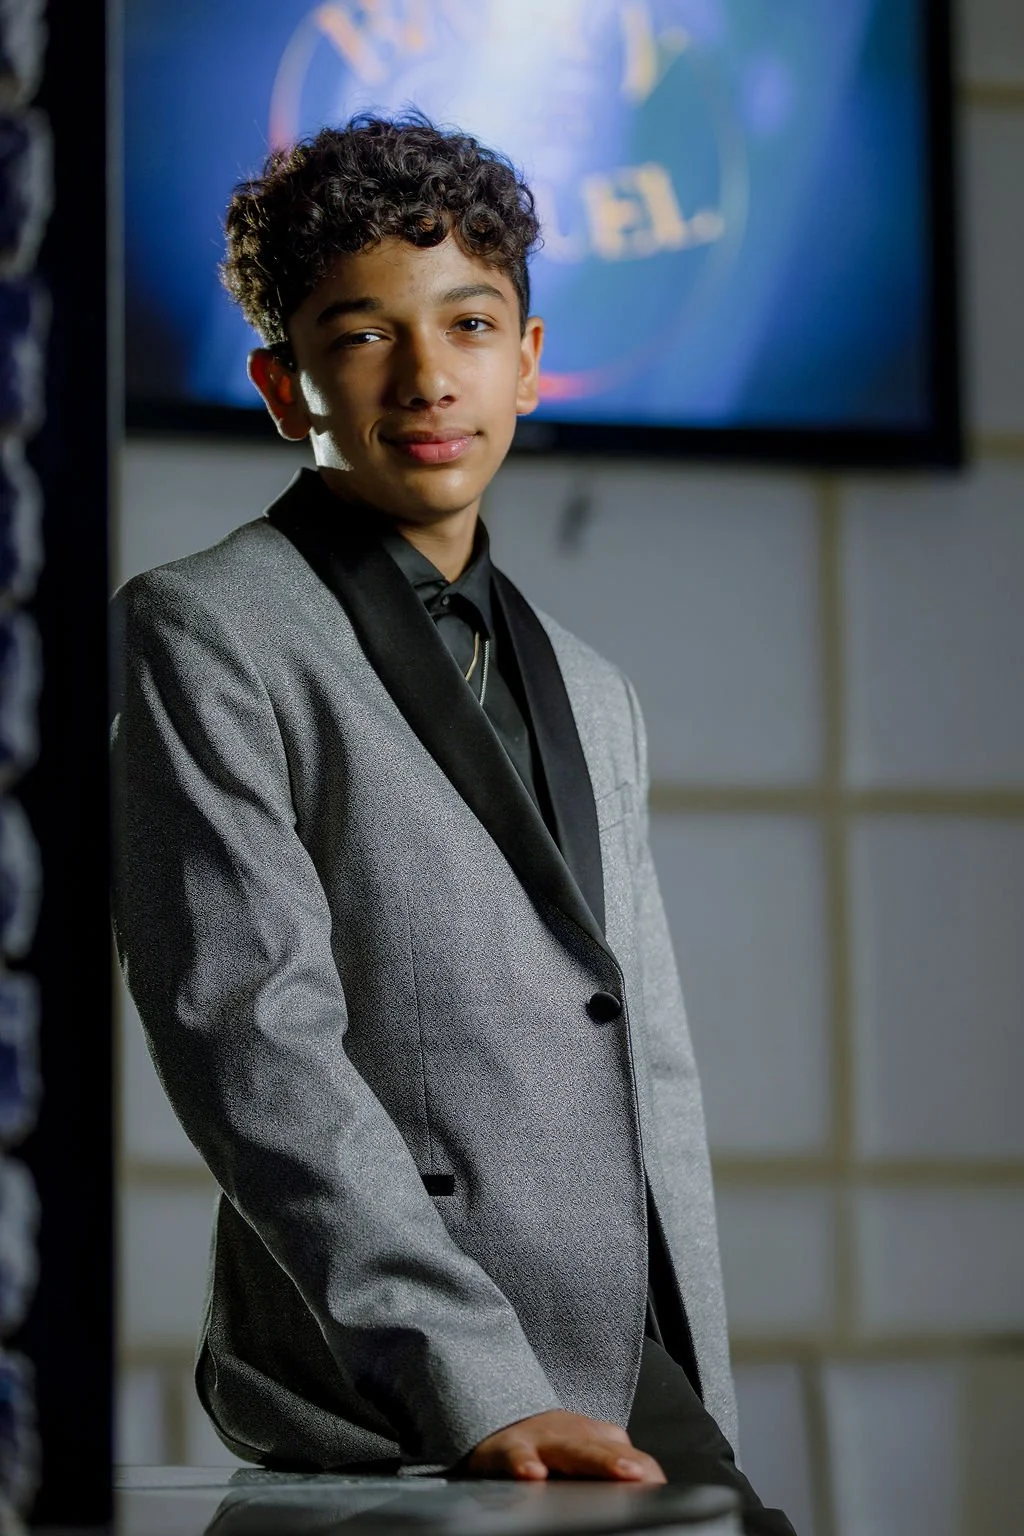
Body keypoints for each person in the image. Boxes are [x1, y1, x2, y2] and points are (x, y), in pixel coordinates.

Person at [110, 112, 795, 1535]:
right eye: (359, 334)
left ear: (529, 363)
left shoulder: (596, 691)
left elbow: (645, 1062)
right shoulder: (207, 630)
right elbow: (246, 1033)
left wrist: (697, 1386)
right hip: (394, 1409)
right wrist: (469, 1380)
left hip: (631, 1382)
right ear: (278, 383)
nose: (427, 376)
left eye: (470, 324)